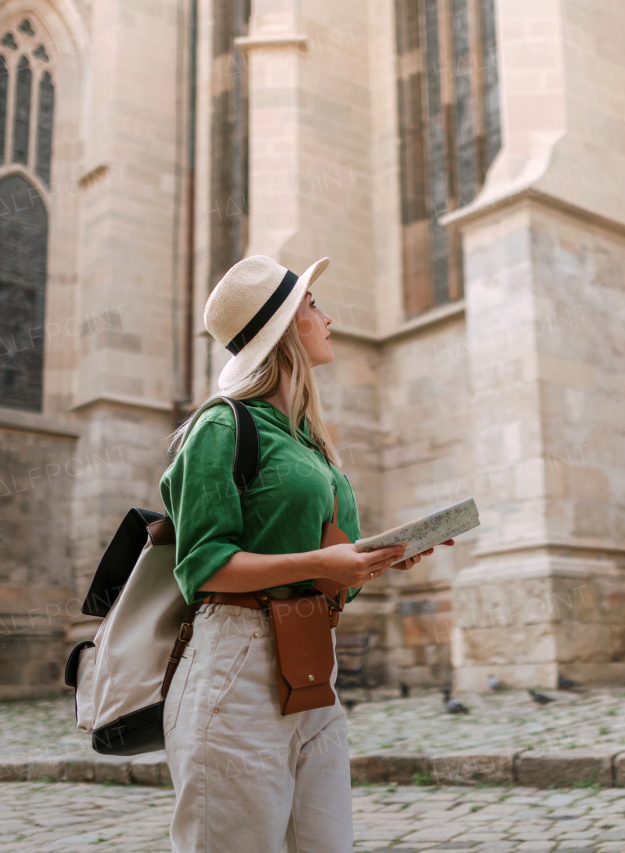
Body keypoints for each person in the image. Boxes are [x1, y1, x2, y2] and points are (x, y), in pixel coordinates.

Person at [160, 254, 452, 853]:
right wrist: (323, 565)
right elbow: (205, 568)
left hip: (314, 665)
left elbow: (326, 567)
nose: (326, 317)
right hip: (236, 663)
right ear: (289, 323)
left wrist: (377, 559)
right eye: (313, 305)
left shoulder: (308, 440)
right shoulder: (221, 427)